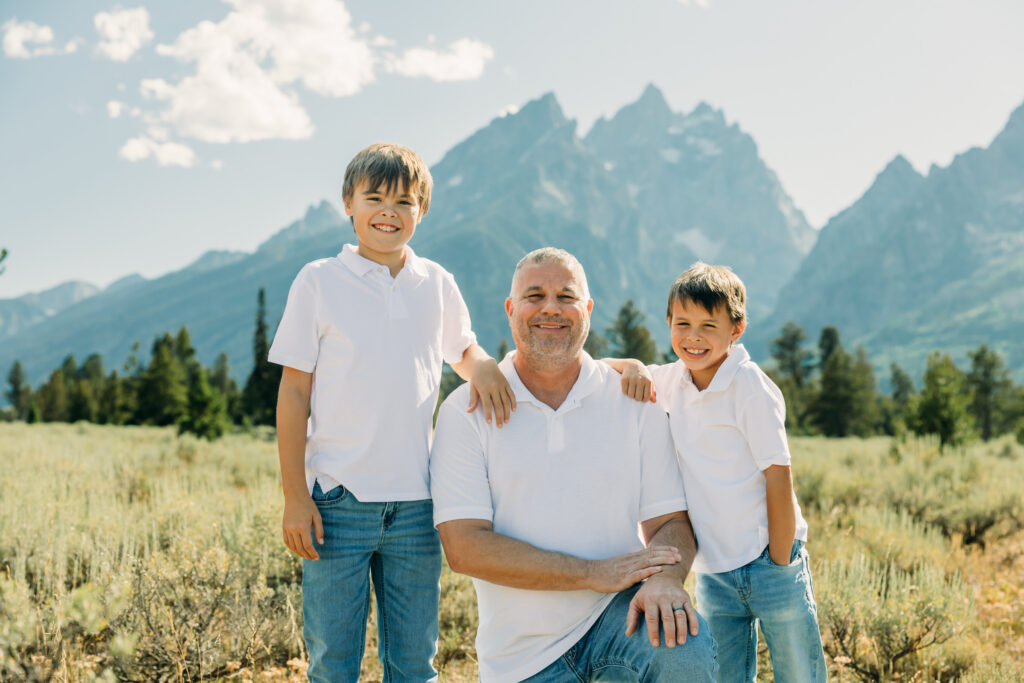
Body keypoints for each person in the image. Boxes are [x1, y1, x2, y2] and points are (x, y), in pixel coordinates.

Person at [269, 142, 516, 682]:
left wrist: (487, 367)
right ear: (348, 205)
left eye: (404, 201)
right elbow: (293, 394)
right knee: (333, 665)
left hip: (417, 507)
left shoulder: (437, 283)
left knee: (414, 664)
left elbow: (464, 351)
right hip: (335, 505)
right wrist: (295, 496)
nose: (389, 211)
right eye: (374, 197)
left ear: (421, 211)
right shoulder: (318, 281)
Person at [430, 248, 717, 682]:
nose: (550, 307)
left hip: (621, 622)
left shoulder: (635, 400)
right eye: (534, 295)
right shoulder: (465, 411)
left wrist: (667, 579)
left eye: (566, 296)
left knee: (685, 651)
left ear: (587, 310)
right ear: (511, 310)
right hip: (521, 660)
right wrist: (591, 573)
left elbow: (671, 522)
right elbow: (465, 548)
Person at [613, 262, 827, 682]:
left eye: (709, 325)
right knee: (726, 673)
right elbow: (601, 368)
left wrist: (780, 560)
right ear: (668, 324)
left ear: (737, 328)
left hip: (769, 561)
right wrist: (634, 365)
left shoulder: (749, 386)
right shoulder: (672, 379)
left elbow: (778, 476)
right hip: (714, 571)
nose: (693, 337)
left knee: (798, 671)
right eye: (682, 323)